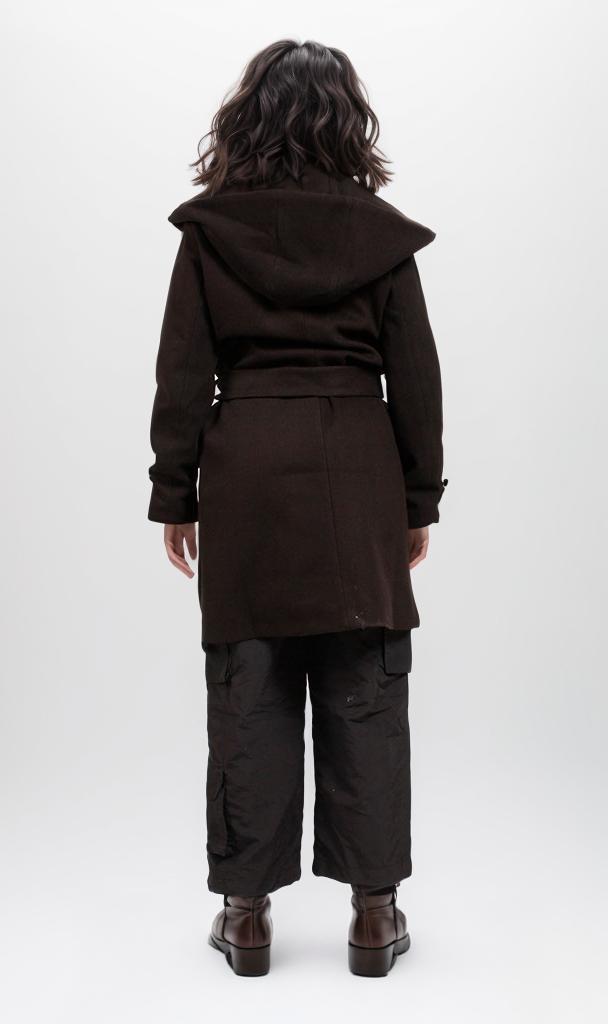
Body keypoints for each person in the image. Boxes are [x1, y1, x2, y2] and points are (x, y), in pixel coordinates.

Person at [148, 38, 446, 977]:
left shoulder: (211, 233)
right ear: (345, 120)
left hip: (245, 477)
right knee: (365, 687)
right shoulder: (381, 235)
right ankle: (374, 915)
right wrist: (417, 498)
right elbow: (416, 377)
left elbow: (184, 371)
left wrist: (174, 492)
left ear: (250, 118)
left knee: (252, 684)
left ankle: (245, 916)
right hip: (358, 474)